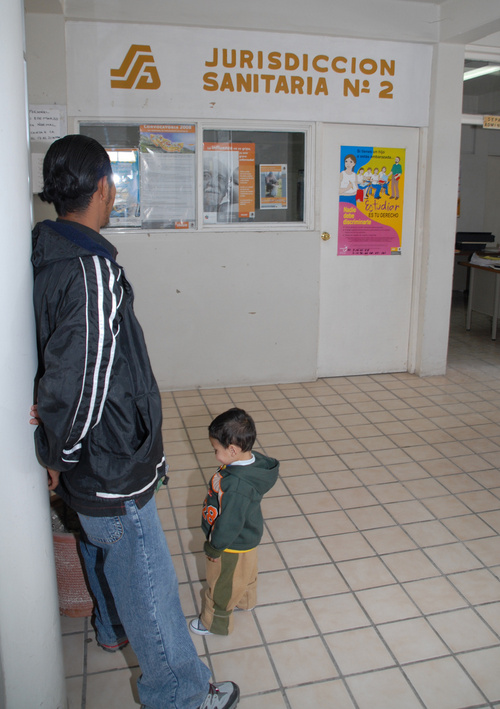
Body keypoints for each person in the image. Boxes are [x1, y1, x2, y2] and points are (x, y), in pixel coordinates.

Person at [30, 134, 239, 709]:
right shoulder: (91, 269)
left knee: (104, 549)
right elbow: (82, 382)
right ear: (104, 187)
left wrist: (56, 455)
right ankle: (181, 695)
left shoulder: (44, 250)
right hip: (110, 463)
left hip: (86, 462)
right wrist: (61, 455)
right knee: (148, 581)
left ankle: (109, 627)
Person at [190, 408, 279, 636]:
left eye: (216, 449)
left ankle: (215, 622)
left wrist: (215, 547)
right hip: (247, 537)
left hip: (230, 544)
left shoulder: (238, 486)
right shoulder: (249, 463)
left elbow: (229, 522)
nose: (215, 454)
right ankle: (246, 601)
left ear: (232, 450)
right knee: (245, 573)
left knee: (222, 583)